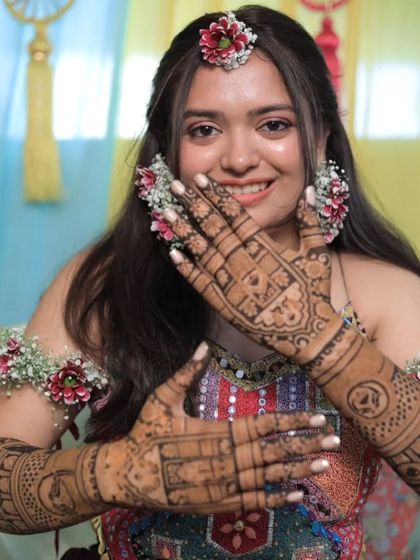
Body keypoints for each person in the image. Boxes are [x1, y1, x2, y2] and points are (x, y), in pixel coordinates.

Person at [0, 5, 418, 560]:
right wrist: (114, 474)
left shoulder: (385, 295)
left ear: (320, 140)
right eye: (204, 129)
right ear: (167, 151)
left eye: (274, 125)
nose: (239, 158)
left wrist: (319, 336)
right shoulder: (105, 287)